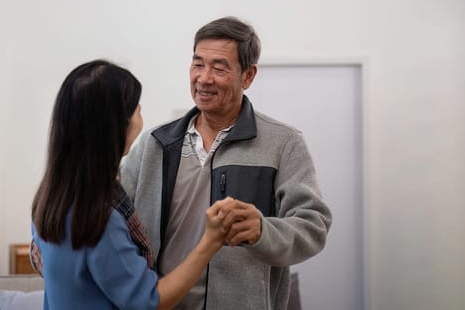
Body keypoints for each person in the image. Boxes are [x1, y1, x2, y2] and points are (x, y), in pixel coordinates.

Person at [120, 16, 333, 310]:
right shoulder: (155, 144)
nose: (204, 78)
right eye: (198, 64)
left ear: (248, 76)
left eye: (219, 68)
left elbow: (314, 226)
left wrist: (262, 230)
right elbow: (104, 207)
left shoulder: (283, 143)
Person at [30, 60, 232, 310]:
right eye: (136, 109)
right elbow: (150, 301)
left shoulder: (50, 198)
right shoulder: (99, 218)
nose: (140, 116)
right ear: (114, 126)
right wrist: (210, 241)